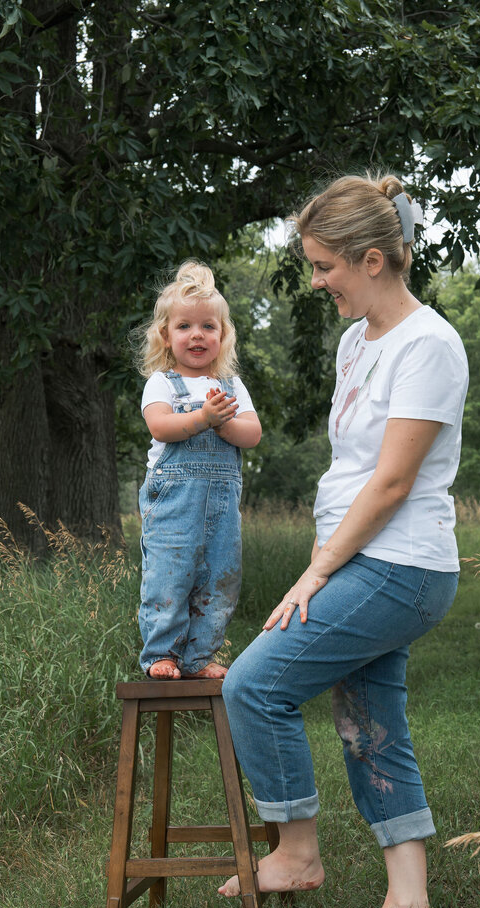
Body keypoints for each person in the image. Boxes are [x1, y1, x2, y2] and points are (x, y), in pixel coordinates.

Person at [219, 175, 468, 908]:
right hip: (371, 557)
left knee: (254, 683)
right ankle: (409, 906)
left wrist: (317, 569)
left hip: (403, 562)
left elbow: (392, 480)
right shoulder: (357, 342)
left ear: (371, 259)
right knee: (369, 717)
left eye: (325, 266)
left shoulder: (430, 345)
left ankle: (296, 850)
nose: (318, 280)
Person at [133, 261, 262, 680]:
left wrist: (222, 422)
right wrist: (204, 419)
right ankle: (162, 655)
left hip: (221, 508)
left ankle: (200, 656)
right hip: (174, 503)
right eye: (185, 326)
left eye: (208, 326)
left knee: (219, 578)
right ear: (166, 336)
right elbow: (161, 427)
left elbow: (252, 434)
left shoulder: (232, 387)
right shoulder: (161, 384)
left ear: (222, 337)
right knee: (169, 575)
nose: (197, 335)